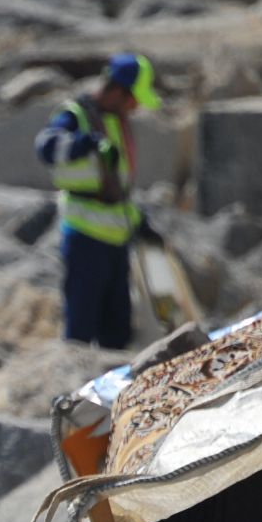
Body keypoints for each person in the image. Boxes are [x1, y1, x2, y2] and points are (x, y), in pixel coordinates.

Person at [33, 53, 163, 351]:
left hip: (117, 242)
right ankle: (74, 393)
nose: (136, 107)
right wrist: (83, 143)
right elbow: (46, 147)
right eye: (134, 99)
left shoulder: (116, 120)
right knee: (79, 331)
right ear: (117, 91)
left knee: (117, 333)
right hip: (85, 240)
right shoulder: (76, 116)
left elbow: (118, 185)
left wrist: (140, 224)